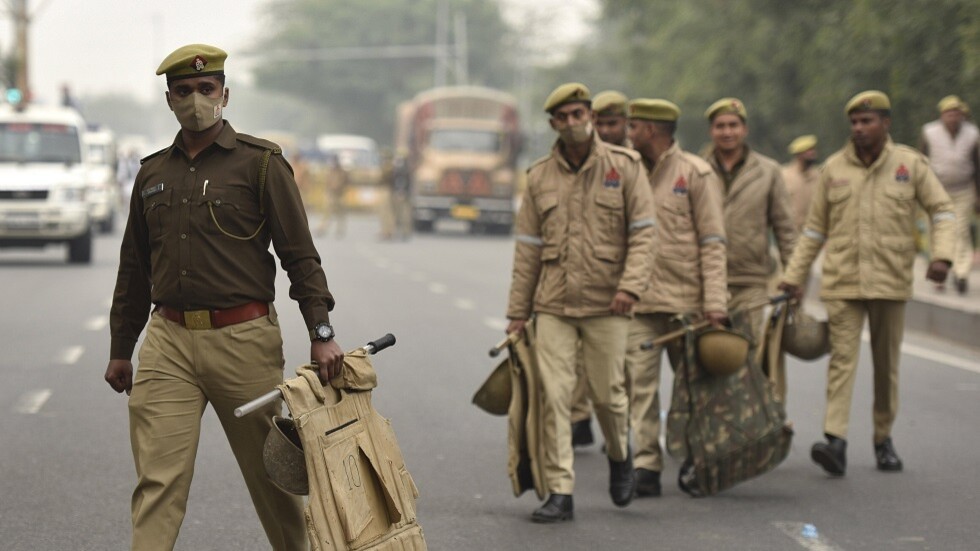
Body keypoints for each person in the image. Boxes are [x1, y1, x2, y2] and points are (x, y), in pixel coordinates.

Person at [103, 44, 344, 551]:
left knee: (274, 479)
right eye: (184, 91)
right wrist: (121, 348)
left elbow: (300, 256)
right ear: (170, 100)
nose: (196, 100)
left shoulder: (261, 165)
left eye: (206, 89)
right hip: (167, 343)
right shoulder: (151, 173)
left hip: (244, 342)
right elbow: (134, 269)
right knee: (157, 481)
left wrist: (321, 333)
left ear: (224, 94)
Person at [780, 90, 955, 477]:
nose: (859, 129)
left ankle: (883, 439)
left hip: (890, 282)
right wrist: (792, 277)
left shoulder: (910, 164)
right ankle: (836, 441)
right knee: (841, 362)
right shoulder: (834, 169)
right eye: (855, 123)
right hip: (843, 282)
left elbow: (942, 210)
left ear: (885, 124)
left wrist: (942, 256)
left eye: (867, 121)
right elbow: (813, 231)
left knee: (885, 366)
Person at [505, 82, 656, 523]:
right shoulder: (538, 177)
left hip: (609, 304)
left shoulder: (625, 167)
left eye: (579, 114)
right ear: (553, 123)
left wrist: (630, 287)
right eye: (563, 117)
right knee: (554, 396)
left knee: (609, 397)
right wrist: (518, 311)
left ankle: (620, 453)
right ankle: (560, 491)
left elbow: (645, 233)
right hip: (552, 304)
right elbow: (527, 249)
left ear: (589, 116)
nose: (572, 123)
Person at [625, 98, 727, 497]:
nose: (629, 134)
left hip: (688, 304)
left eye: (635, 127)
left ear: (651, 130)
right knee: (640, 387)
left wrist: (715, 300)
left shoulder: (696, 174)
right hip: (639, 303)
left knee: (693, 389)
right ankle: (646, 466)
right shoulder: (626, 172)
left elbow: (714, 241)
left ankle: (694, 460)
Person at [703, 98, 797, 352]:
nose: (727, 132)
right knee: (711, 360)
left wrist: (794, 276)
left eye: (733, 125)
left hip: (751, 281)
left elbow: (785, 228)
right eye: (720, 126)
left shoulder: (768, 171)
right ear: (711, 131)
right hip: (705, 282)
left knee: (750, 357)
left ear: (744, 129)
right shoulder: (697, 170)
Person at [568, 89, 631, 447]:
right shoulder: (581, 161)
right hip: (589, 276)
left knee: (622, 364)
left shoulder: (633, 164)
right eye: (600, 122)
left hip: (630, 281)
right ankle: (579, 418)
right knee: (578, 356)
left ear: (626, 124)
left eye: (613, 123)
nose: (606, 130)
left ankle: (618, 433)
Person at [918, 95, 980, 295]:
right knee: (937, 231)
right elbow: (922, 163)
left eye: (956, 113)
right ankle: (939, 274)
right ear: (942, 115)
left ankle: (961, 273)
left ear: (962, 115)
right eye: (948, 113)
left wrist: (978, 195)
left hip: (962, 190)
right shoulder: (929, 132)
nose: (953, 117)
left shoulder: (972, 134)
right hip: (937, 189)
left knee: (961, 230)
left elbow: (978, 166)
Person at [782, 134, 821, 232]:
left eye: (813, 149)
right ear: (799, 154)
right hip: (791, 233)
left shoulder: (819, 176)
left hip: (815, 234)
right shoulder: (784, 176)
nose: (812, 153)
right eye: (808, 150)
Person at [316, 154, 350, 237]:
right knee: (327, 213)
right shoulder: (331, 171)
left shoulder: (342, 172)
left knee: (340, 214)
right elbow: (327, 182)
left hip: (339, 195)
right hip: (331, 194)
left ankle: (340, 230)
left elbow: (345, 182)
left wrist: (339, 188)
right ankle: (322, 228)